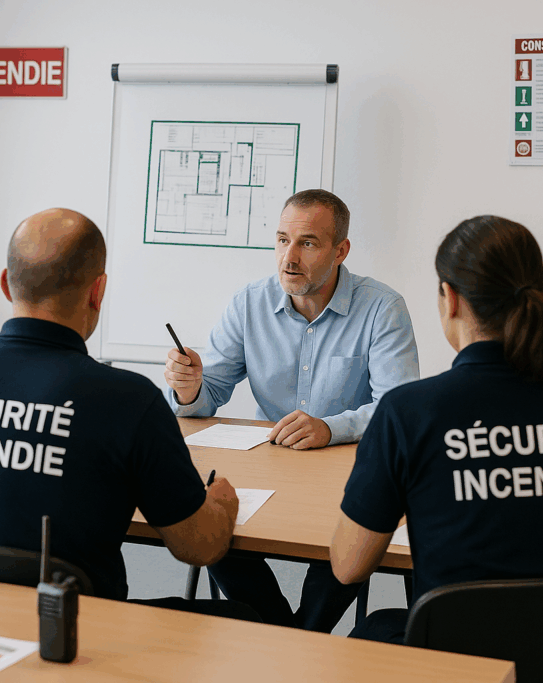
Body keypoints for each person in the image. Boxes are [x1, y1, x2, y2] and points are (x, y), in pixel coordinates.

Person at [0, 208, 258, 621]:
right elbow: (198, 547)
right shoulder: (128, 400)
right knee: (253, 618)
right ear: (98, 291)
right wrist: (221, 505)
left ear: (4, 284)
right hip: (71, 637)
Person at [331, 215, 543, 644]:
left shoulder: (410, 412)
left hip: (451, 666)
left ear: (451, 299)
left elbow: (348, 566)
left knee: (375, 630)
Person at [163, 189, 419, 629]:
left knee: (349, 537)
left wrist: (330, 428)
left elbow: (398, 409)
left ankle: (301, 637)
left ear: (341, 251)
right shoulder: (249, 302)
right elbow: (210, 393)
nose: (289, 258)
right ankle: (290, 636)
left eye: (308, 243)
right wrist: (188, 388)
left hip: (348, 479)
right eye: (282, 240)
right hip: (275, 474)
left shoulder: (382, 308)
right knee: (214, 525)